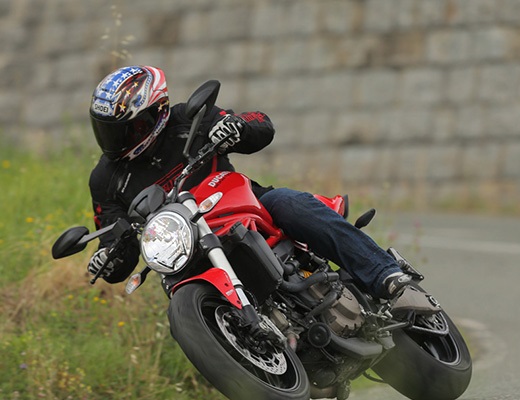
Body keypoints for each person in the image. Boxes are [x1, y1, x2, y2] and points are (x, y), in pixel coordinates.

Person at [87, 65, 411, 301]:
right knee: (172, 283)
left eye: (129, 128)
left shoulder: (188, 118)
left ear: (156, 111)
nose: (118, 140)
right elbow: (117, 244)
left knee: (288, 203)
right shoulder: (106, 179)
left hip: (246, 204)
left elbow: (261, 125)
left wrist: (237, 127)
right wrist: (108, 258)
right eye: (108, 131)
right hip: (186, 246)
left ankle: (386, 275)